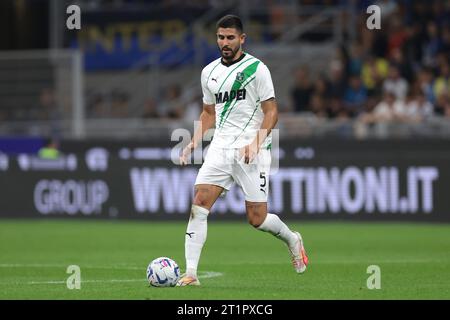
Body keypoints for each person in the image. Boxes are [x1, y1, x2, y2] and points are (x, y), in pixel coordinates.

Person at [176, 15, 308, 287]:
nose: (225, 43)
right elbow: (208, 113)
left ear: (242, 39)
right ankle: (191, 273)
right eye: (221, 37)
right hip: (221, 147)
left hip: (253, 149)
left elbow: (272, 112)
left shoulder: (257, 69)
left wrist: (256, 142)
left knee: (257, 218)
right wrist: (194, 141)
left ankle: (292, 239)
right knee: (199, 202)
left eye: (230, 38)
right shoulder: (209, 72)